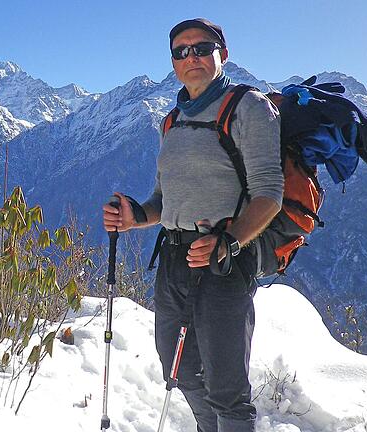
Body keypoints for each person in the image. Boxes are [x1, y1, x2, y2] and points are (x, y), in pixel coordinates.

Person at [102, 18, 283, 432]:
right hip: (174, 259)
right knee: (178, 369)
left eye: (201, 48)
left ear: (223, 53)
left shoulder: (248, 107)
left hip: (225, 264)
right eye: (181, 52)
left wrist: (230, 242)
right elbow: (163, 199)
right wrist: (136, 216)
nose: (191, 57)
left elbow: (269, 194)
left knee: (227, 387)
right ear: (173, 62)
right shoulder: (171, 121)